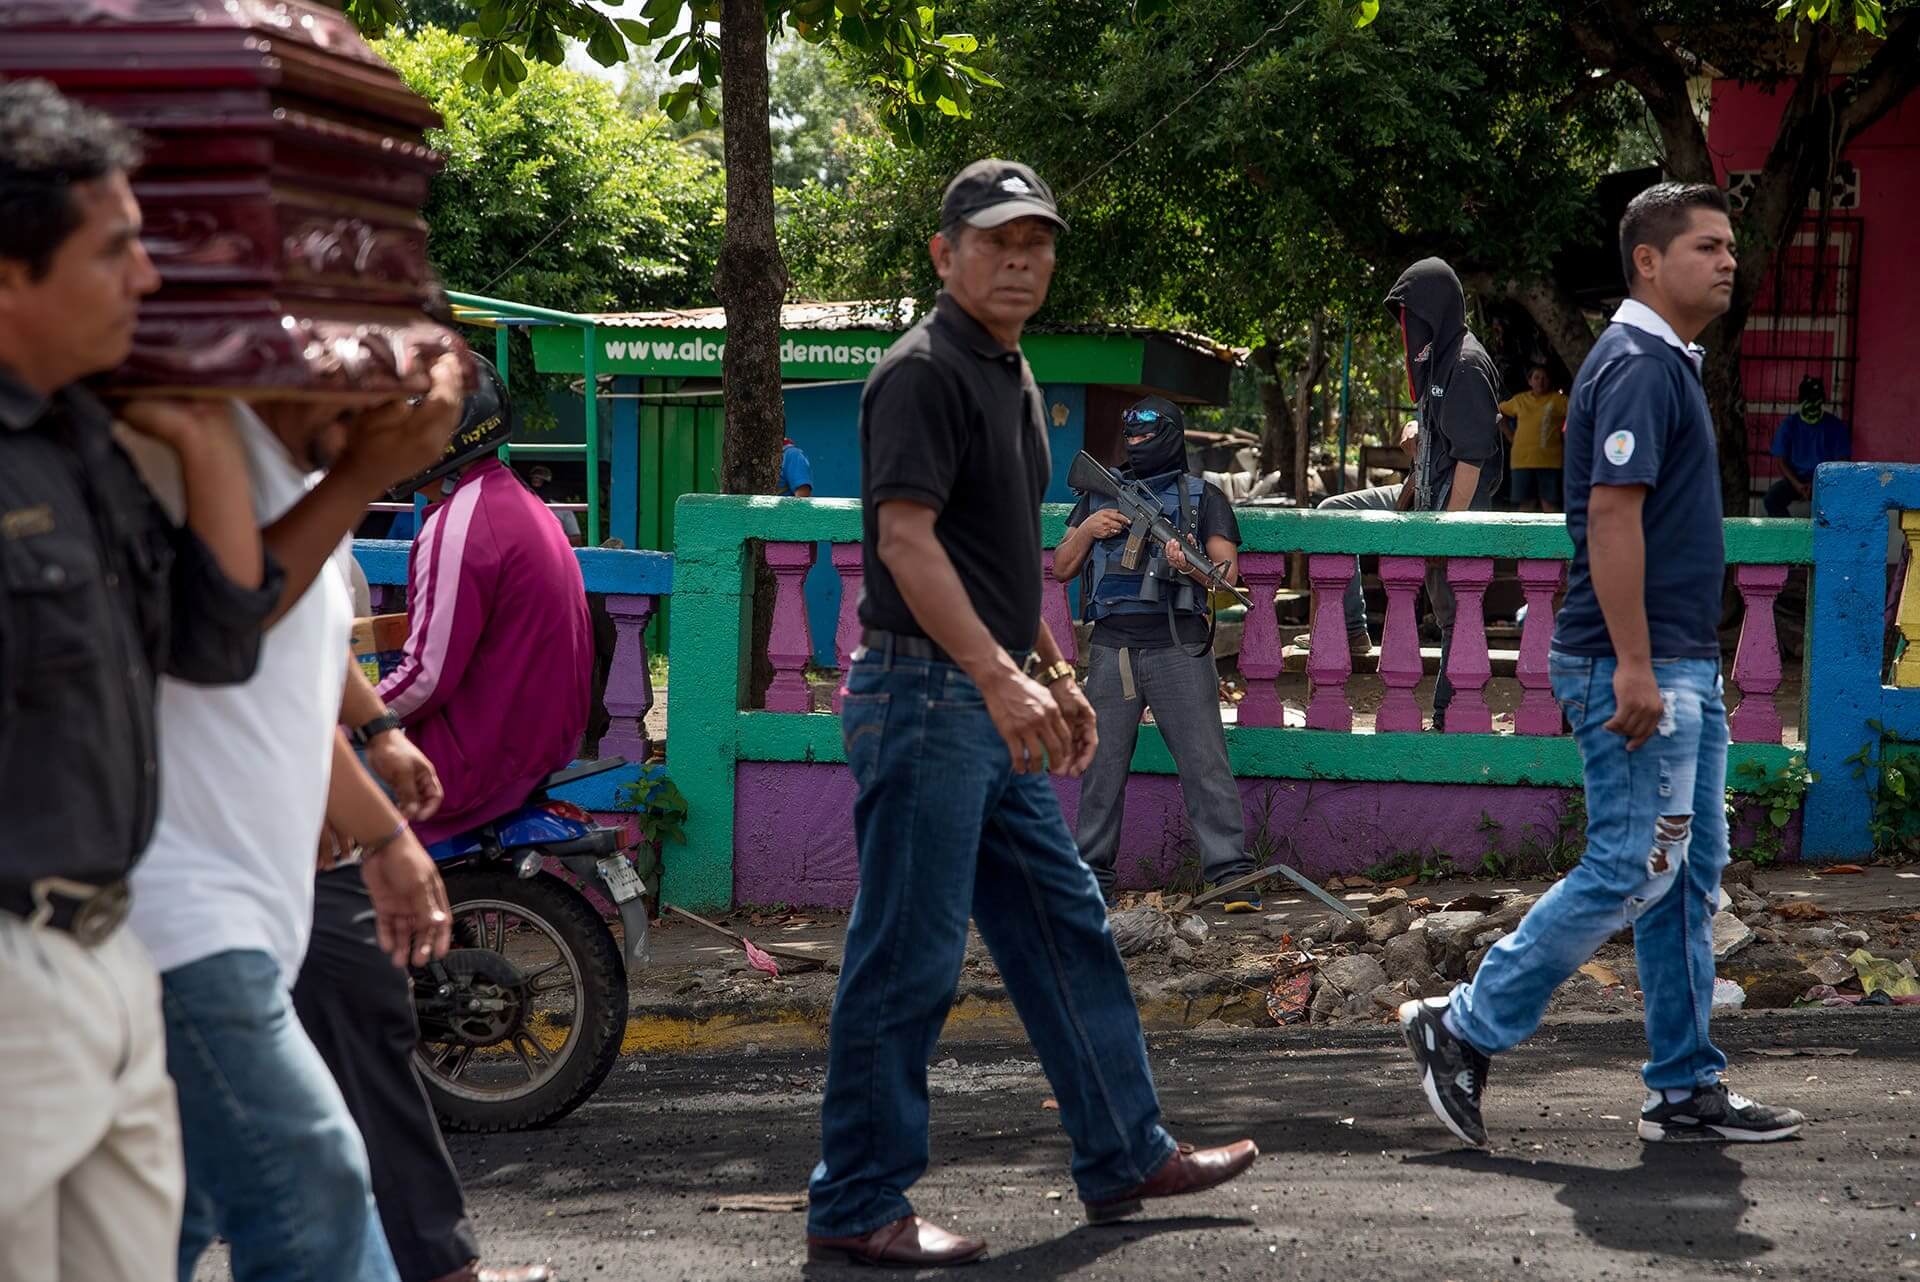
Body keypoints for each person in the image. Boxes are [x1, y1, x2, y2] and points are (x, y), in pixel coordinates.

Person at [805, 158, 1256, 1269]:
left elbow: (998, 556)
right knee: (906, 957)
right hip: (924, 695)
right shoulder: (920, 373)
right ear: (942, 253)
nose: (1020, 260)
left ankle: (1121, 1148)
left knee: (1065, 924)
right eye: (997, 240)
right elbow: (906, 543)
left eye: (1037, 242)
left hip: (984, 693)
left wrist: (1051, 669)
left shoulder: (1009, 368)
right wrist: (1001, 677)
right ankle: (857, 1198)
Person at [1399, 182, 1806, 1148]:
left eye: (1729, 246)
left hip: (1680, 665)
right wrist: (1635, 667)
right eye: (1706, 246)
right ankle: (1461, 1027)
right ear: (1649, 263)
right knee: (1634, 864)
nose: (1727, 259)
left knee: (1687, 874)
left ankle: (1682, 1088)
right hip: (1640, 667)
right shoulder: (1631, 366)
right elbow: (1612, 520)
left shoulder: (1667, 363)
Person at [0, 80, 280, 1282]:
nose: (148, 280)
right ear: (11, 275)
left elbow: (217, 641)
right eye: (115, 250)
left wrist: (209, 440)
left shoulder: (81, 442)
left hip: (111, 955)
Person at [125, 358, 464, 1282]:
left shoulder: (280, 470)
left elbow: (288, 659)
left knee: (168, 1220)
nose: (378, 409)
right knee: (314, 1186)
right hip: (181, 911)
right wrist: (366, 475)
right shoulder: (185, 450)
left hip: (256, 904)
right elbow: (239, 627)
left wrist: (379, 750)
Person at [377, 355, 595, 847]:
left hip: (480, 758)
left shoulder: (459, 525)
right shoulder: (518, 503)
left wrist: (347, 717)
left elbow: (424, 678)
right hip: (537, 743)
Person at [1053, 395, 1255, 909]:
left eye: (1149, 437)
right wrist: (1088, 531)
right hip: (1113, 650)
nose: (1138, 445)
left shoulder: (1203, 496)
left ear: (1172, 436)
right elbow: (1061, 566)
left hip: (1178, 647)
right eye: (1132, 438)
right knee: (1100, 771)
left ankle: (1230, 875)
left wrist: (1187, 565)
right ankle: (1091, 882)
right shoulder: (1101, 494)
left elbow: (1225, 574)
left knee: (1206, 765)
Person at [1387, 257, 1504, 730]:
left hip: (1455, 504)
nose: (1407, 327)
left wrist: (1443, 532)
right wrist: (1414, 429)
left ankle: (1446, 715)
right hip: (1426, 491)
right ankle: (1352, 630)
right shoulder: (1437, 354)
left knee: (1457, 614)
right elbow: (1441, 429)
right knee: (1339, 512)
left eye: (1412, 314)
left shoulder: (1466, 364)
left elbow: (1473, 462)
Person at [1312, 418, 1421, 657]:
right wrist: (1414, 424)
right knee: (1330, 514)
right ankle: (1353, 630)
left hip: (1441, 496)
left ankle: (1352, 628)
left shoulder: (1466, 384)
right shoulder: (1428, 383)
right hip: (1411, 486)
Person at [1765, 374, 1850, 517]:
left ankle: (1822, 537)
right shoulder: (1789, 425)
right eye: (1808, 399)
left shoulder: (1835, 426)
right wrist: (1798, 485)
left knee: (1834, 504)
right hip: (1795, 481)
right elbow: (1780, 460)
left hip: (1825, 482)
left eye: (1816, 400)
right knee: (1771, 499)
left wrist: (1818, 483)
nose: (1812, 405)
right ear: (1801, 401)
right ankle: (1788, 536)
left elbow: (1842, 462)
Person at [1499, 364, 1569, 513]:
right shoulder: (1520, 400)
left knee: (1550, 506)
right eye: (1536, 377)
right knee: (1525, 507)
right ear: (1530, 381)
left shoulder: (1560, 400)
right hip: (1522, 460)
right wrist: (1509, 434)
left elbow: (1575, 419)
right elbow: (1498, 412)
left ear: (1549, 380)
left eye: (1544, 378)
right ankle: (1521, 537)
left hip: (1550, 462)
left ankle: (1553, 537)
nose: (1540, 381)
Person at [527, 463, 583, 541]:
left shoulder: (563, 509)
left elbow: (575, 538)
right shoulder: (522, 508)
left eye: (541, 480)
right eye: (534, 479)